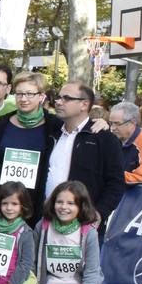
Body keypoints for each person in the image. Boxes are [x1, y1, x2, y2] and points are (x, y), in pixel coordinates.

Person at [44, 80, 124, 229]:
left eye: (66, 98)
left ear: (84, 104)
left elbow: (116, 183)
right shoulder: (51, 131)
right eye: (58, 97)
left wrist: (99, 213)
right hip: (48, 220)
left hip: (84, 224)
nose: (59, 102)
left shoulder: (104, 139)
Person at [0, 71, 55, 218]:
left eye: (29, 94)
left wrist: (100, 123)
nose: (23, 99)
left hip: (35, 201)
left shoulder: (54, 125)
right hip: (2, 200)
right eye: (19, 94)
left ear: (41, 96)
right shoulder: (3, 122)